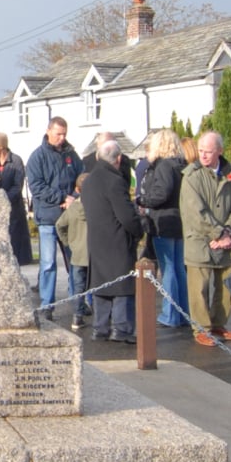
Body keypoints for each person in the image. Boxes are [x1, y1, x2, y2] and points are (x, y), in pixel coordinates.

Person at [180, 131, 231, 348]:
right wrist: (217, 234)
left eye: (209, 151)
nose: (204, 156)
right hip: (200, 240)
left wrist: (229, 232)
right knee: (200, 288)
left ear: (220, 151)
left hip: (226, 240)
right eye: (201, 151)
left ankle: (218, 325)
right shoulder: (191, 176)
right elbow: (195, 212)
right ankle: (202, 328)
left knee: (228, 284)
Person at [78, 136, 141, 344]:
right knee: (122, 285)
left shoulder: (89, 181)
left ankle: (101, 327)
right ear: (119, 159)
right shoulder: (115, 181)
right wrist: (139, 230)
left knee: (101, 284)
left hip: (96, 238)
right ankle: (122, 329)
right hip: (117, 239)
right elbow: (126, 215)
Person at [27, 117, 84, 322]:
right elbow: (37, 187)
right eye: (58, 133)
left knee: (75, 262)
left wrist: (74, 198)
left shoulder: (71, 155)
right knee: (48, 263)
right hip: (48, 218)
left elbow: (82, 179)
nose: (61, 138)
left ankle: (78, 303)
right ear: (48, 131)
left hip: (70, 218)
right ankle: (47, 304)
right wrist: (61, 197)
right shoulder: (37, 157)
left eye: (64, 134)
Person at [137, 128, 186, 329]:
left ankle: (170, 314)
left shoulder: (164, 166)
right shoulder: (182, 165)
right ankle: (183, 313)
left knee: (168, 270)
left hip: (164, 221)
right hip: (180, 221)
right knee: (178, 269)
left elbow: (161, 193)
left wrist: (143, 201)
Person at [0, 132, 32, 266]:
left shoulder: (16, 160)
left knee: (15, 242)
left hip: (13, 207)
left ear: (0, 146)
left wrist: (4, 199)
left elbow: (18, 185)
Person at [54, 182, 90, 330]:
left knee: (78, 286)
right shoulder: (96, 207)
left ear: (77, 189)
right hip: (93, 253)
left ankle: (77, 316)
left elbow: (59, 225)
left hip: (76, 253)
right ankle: (101, 317)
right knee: (94, 285)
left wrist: (67, 242)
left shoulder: (73, 208)